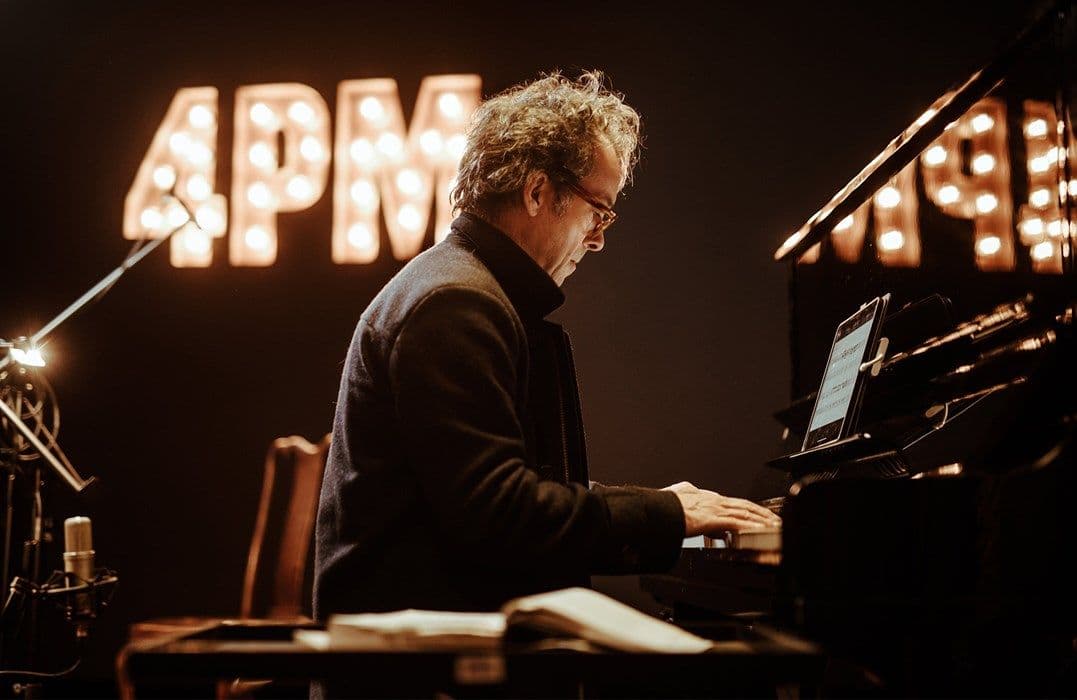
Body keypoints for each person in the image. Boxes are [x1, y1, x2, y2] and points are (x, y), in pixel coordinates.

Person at [313, 70, 780, 621]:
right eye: (598, 210)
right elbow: (501, 515)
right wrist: (668, 514)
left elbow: (497, 493)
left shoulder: (464, 287)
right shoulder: (456, 303)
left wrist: (665, 508)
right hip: (424, 669)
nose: (600, 237)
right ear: (537, 191)